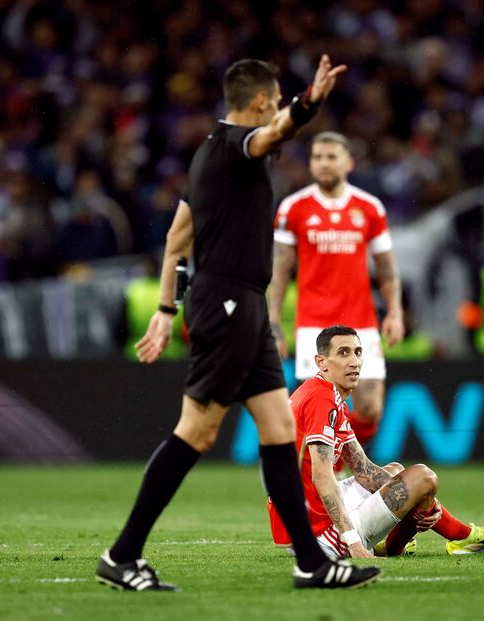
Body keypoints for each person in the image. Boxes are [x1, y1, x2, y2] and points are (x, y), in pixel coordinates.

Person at [95, 56, 381, 592]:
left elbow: (178, 238)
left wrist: (163, 310)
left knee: (278, 429)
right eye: (273, 103)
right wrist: (310, 103)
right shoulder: (235, 146)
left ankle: (311, 564)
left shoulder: (207, 158)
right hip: (225, 304)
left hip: (243, 305)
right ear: (260, 103)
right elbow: (273, 134)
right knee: (198, 432)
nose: (275, 115)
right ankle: (122, 555)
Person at [269, 325, 484, 558]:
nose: (354, 361)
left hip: (299, 517)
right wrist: (352, 540)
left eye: (357, 352)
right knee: (423, 477)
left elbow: (365, 472)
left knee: (396, 471)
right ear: (321, 362)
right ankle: (445, 538)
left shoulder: (323, 393)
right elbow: (321, 476)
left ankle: (431, 534)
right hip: (317, 534)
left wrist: (429, 508)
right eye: (343, 353)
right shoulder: (321, 400)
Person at [269, 132, 403, 446]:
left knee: (370, 408)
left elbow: (386, 267)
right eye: (317, 157)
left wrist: (394, 311)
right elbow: (279, 269)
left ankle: (341, 462)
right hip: (314, 325)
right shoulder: (293, 208)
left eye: (331, 157)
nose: (323, 163)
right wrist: (273, 323)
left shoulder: (369, 208)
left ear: (348, 162)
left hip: (361, 323)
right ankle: (317, 484)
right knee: (318, 410)